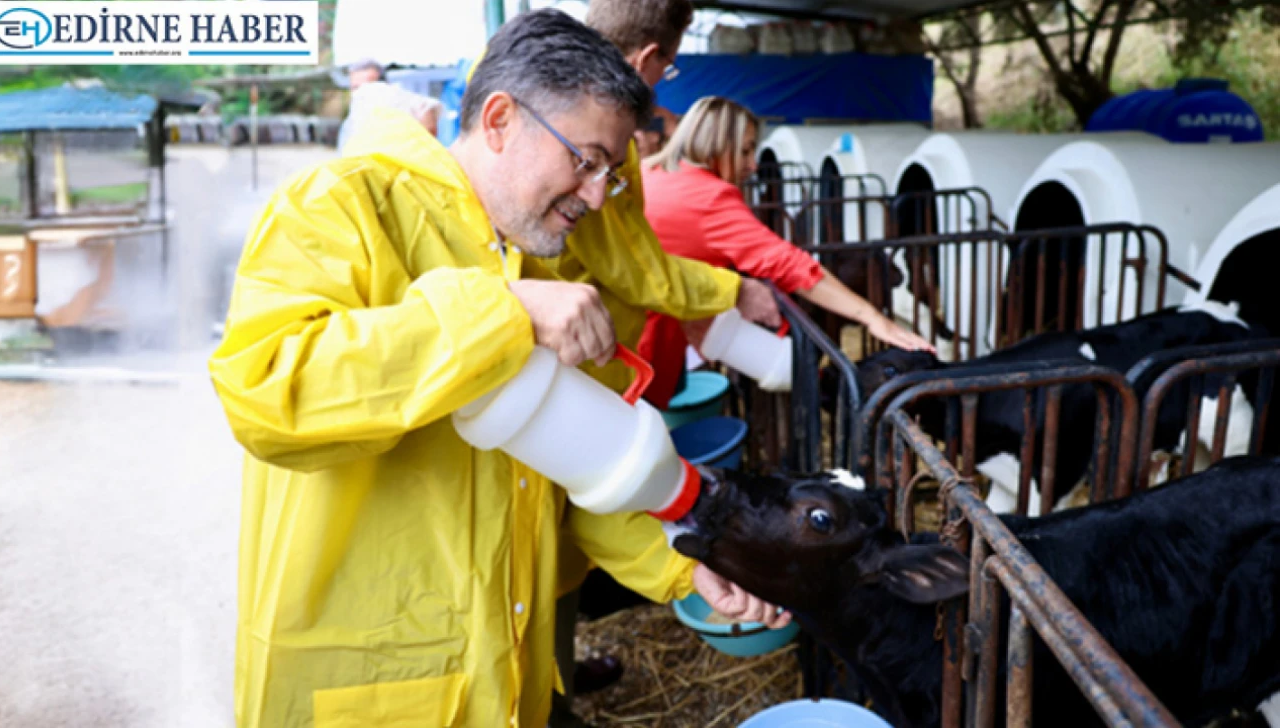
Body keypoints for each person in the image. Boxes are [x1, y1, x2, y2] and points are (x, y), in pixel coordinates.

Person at [209, 10, 787, 728]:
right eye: (585, 160)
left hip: (503, 675)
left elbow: (570, 473)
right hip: (367, 689)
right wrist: (499, 313)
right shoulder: (340, 204)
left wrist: (679, 567)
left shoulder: (532, 259)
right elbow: (266, 394)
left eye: (610, 170)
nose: (598, 195)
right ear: (501, 119)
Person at [637, 95, 937, 408]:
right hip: (648, 344)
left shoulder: (650, 172)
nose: (753, 164)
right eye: (745, 150)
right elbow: (791, 265)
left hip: (630, 336)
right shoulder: (709, 197)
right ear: (716, 144)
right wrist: (873, 317)